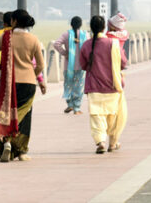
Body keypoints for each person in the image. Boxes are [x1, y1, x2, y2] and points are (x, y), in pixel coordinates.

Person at [0, 9, 46, 162]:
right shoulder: (33, 39)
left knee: (6, 111)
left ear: (14, 21)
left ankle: (6, 141)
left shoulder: (6, 37)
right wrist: (32, 74)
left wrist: (2, 69)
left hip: (8, 82)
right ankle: (21, 151)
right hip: (28, 83)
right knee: (24, 116)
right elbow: (41, 64)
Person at [79, 15, 128, 154]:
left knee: (96, 115)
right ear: (104, 27)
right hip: (112, 86)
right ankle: (113, 143)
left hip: (94, 88)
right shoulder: (114, 44)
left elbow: (83, 65)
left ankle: (100, 141)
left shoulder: (87, 45)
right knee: (112, 115)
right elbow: (123, 63)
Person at [53, 16, 89, 114]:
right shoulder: (85, 34)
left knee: (68, 85)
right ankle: (77, 107)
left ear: (71, 24)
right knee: (79, 86)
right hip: (81, 66)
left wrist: (65, 53)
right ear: (81, 25)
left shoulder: (66, 34)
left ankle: (70, 105)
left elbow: (56, 44)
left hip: (68, 66)